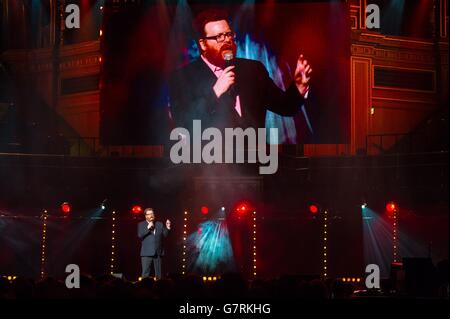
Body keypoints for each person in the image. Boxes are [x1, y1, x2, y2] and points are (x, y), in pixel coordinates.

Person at [168, 9, 312, 132]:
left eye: (229, 34)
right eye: (219, 37)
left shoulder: (254, 70)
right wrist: (215, 92)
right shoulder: (185, 76)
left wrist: (299, 86)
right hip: (211, 160)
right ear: (203, 44)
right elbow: (183, 123)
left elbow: (286, 107)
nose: (226, 40)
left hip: (254, 159)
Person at [137, 208, 171, 279]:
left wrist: (167, 228)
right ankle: (144, 288)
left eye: (152, 213)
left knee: (159, 274)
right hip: (146, 253)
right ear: (146, 216)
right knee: (145, 273)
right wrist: (148, 228)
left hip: (158, 252)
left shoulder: (159, 224)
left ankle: (158, 288)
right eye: (149, 214)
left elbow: (164, 235)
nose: (151, 215)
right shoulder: (141, 224)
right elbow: (140, 235)